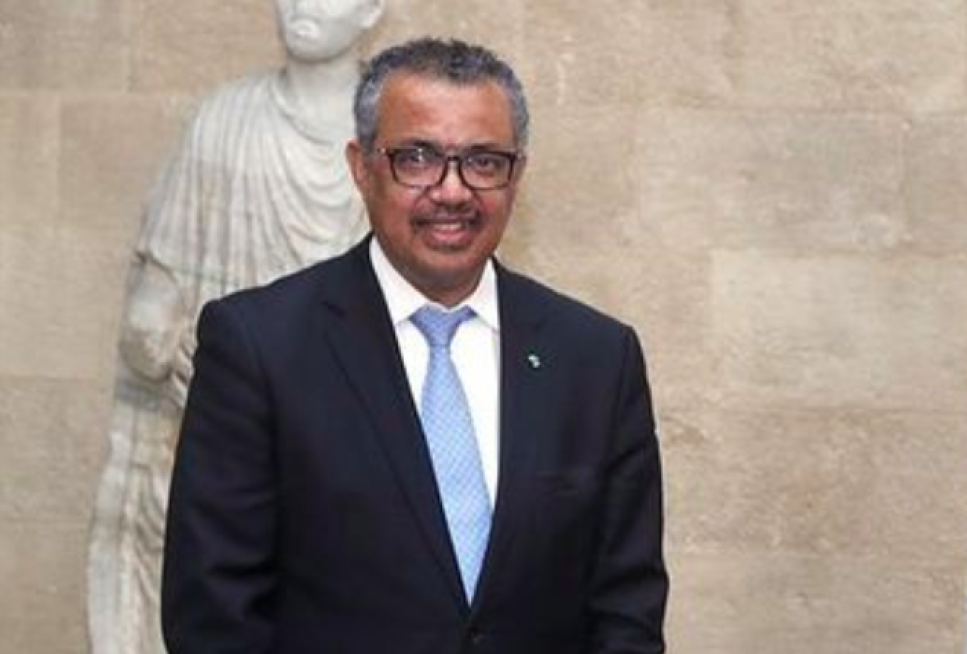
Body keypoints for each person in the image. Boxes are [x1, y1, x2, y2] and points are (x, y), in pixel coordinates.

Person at [161, 37, 668, 654]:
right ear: (360, 166)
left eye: (484, 161)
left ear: (516, 175)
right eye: (418, 158)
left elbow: (626, 609)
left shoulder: (596, 359)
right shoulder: (258, 346)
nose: (452, 191)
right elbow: (214, 616)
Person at [87, 2, 384, 654]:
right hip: (226, 428)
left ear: (373, 10)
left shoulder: (396, 143)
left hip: (354, 437)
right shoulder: (223, 120)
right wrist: (158, 337)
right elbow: (157, 297)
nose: (303, 4)